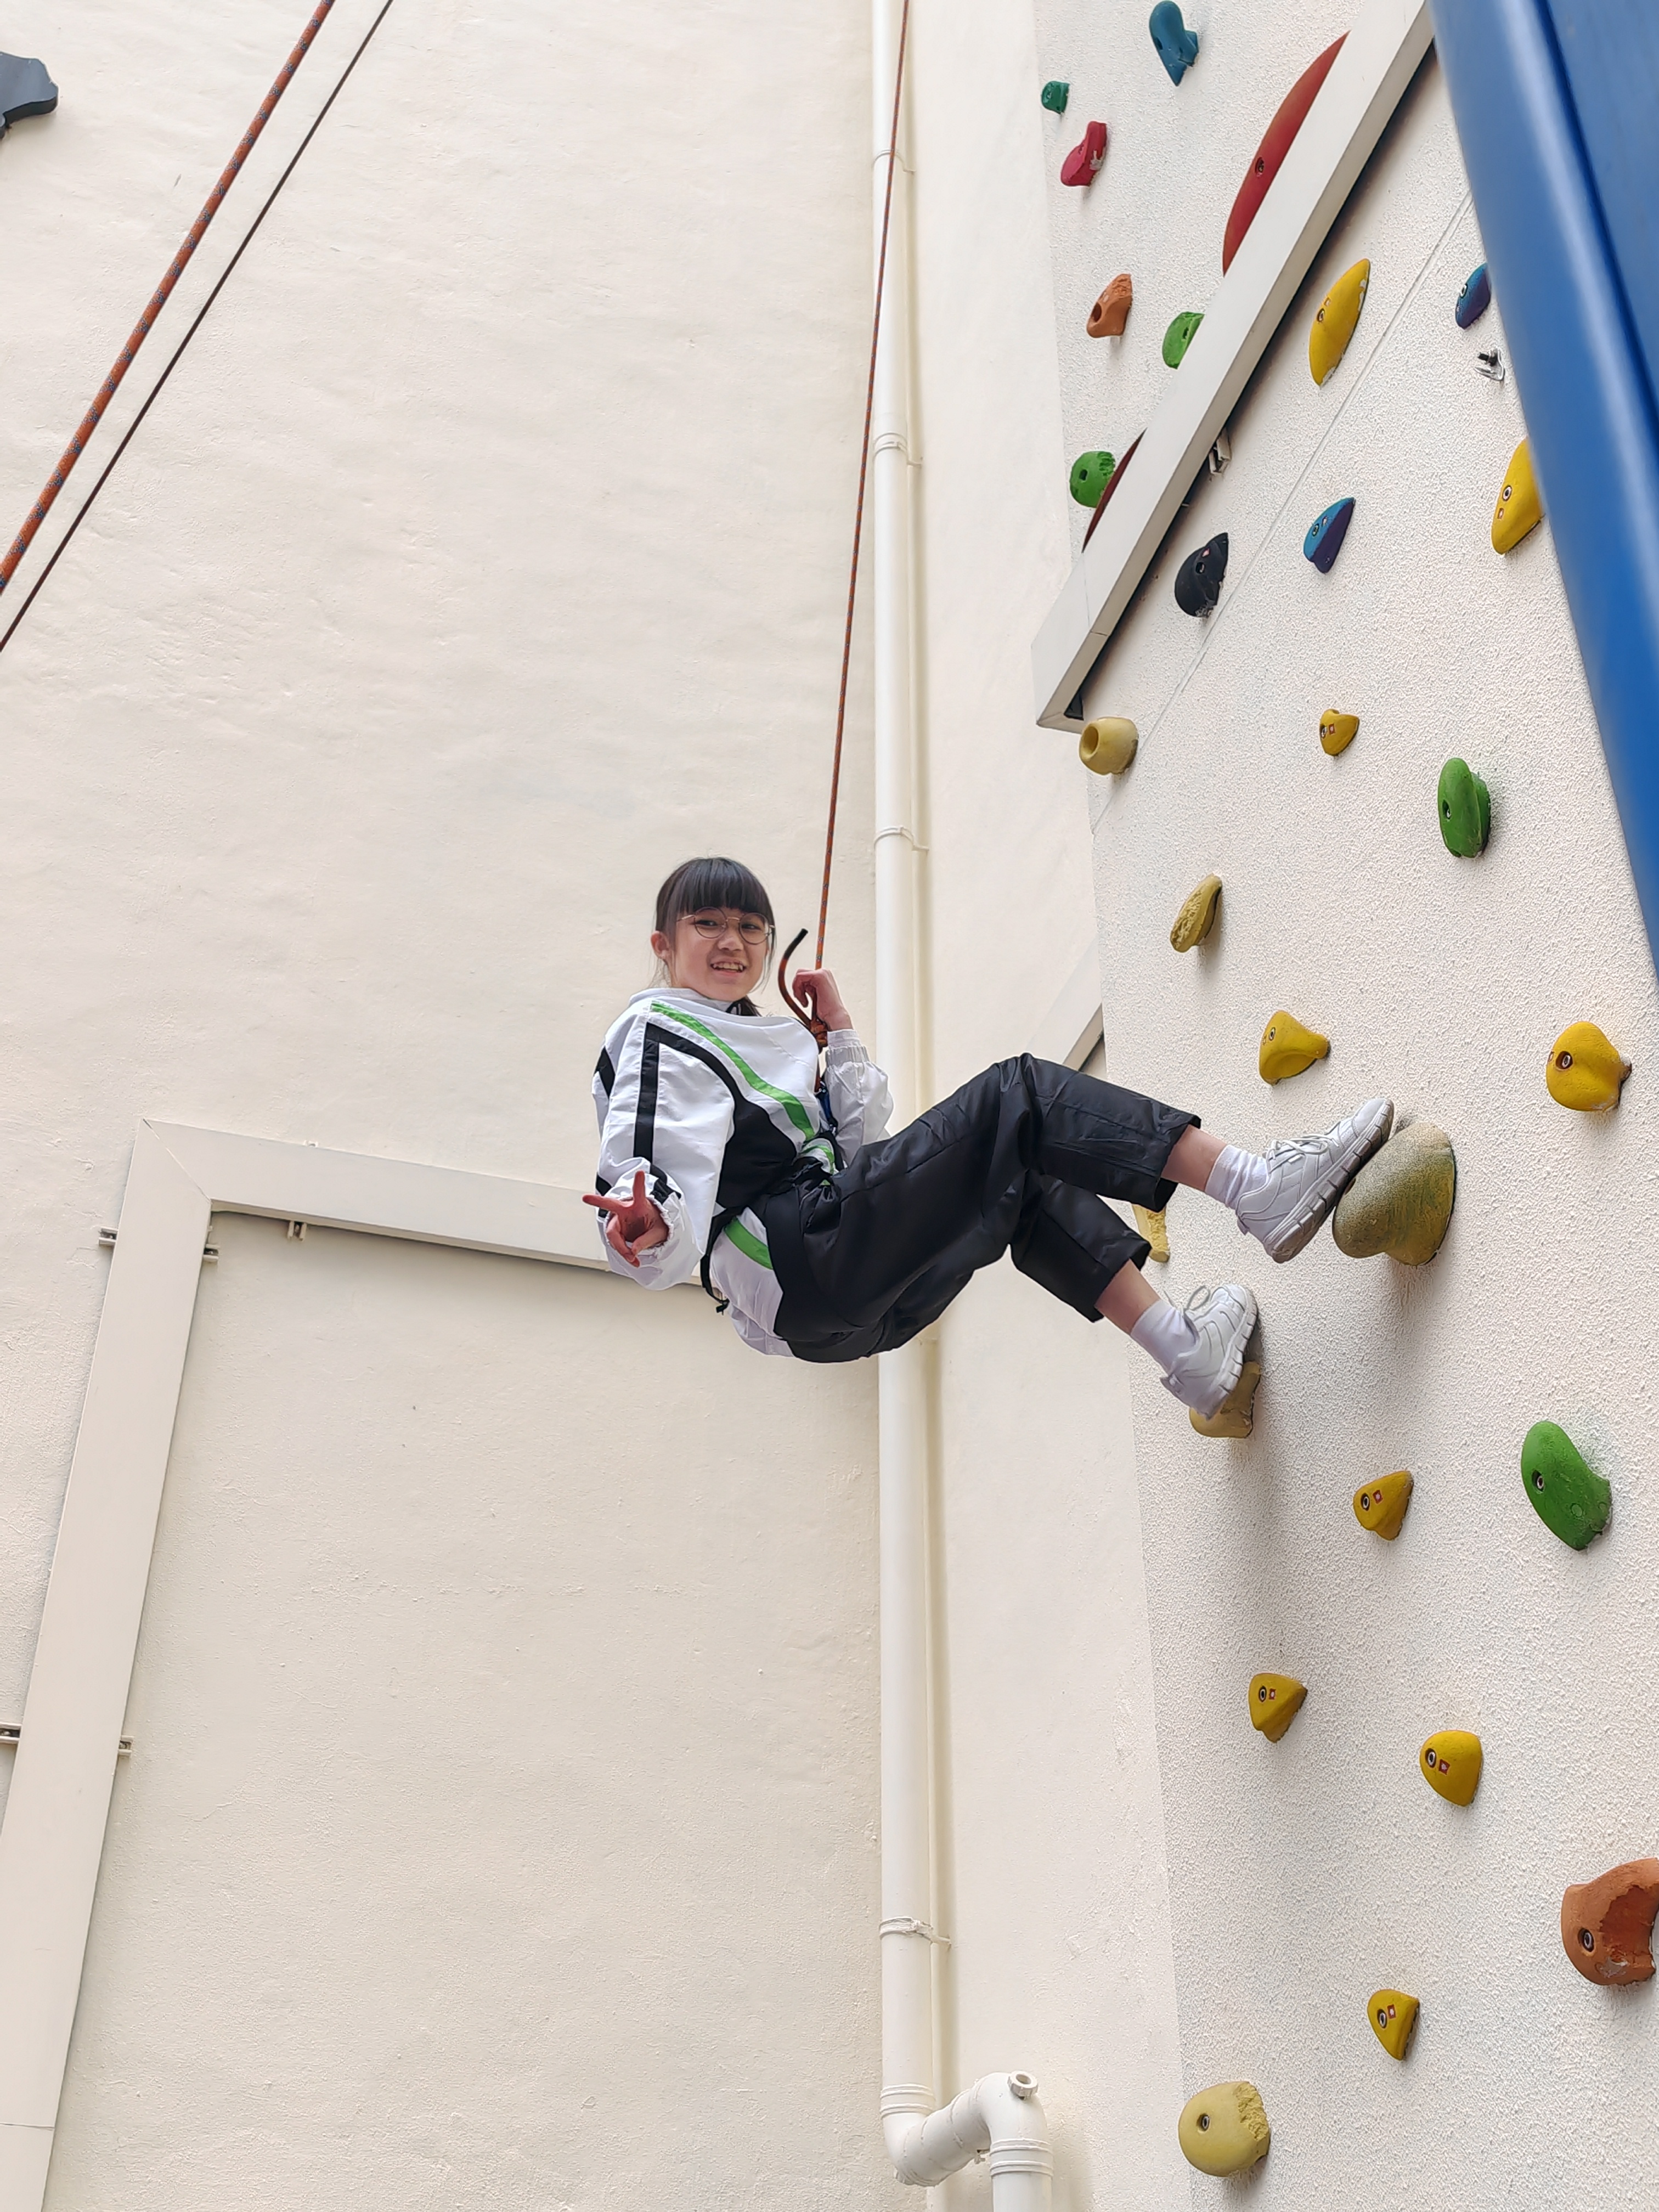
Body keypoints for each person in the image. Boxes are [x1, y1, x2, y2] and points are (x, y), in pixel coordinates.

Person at [587, 857, 1392, 1419]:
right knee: (1021, 1094)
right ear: (664, 945)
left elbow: (864, 1146)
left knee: (1017, 1174)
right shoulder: (661, 1027)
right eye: (706, 924)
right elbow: (648, 1160)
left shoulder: (756, 1039)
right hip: (798, 1256)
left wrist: (839, 1031)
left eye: (750, 926)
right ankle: (1258, 1187)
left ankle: (1187, 1355)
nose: (733, 942)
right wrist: (646, 1222)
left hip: (833, 1313)